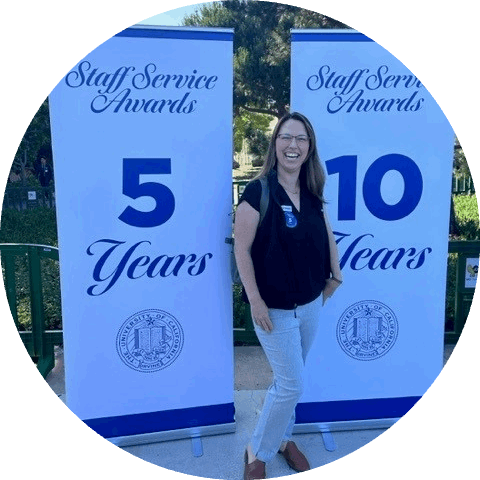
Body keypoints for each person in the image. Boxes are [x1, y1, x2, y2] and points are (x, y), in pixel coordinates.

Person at [234, 112, 343, 479]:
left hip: (311, 304)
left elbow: (326, 233)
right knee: (292, 384)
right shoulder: (258, 191)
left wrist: (335, 276)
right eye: (286, 137)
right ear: (275, 143)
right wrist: (255, 300)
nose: (293, 145)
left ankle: (284, 438)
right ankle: (258, 450)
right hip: (273, 309)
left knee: (288, 382)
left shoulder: (312, 192)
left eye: (301, 139)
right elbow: (241, 249)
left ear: (309, 147)